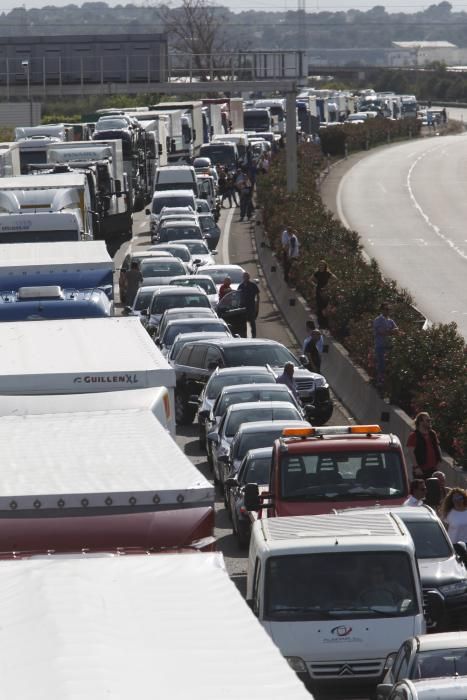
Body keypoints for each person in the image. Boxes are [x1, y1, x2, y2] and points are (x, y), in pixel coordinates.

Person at [406, 412, 441, 480]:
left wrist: (438, 463)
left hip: (434, 469)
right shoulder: (414, 436)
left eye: (430, 420)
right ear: (420, 422)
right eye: (428, 420)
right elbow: (411, 453)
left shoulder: (432, 434)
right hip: (421, 470)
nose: (430, 422)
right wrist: (416, 467)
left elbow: (437, 447)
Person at [372, 302, 400, 386]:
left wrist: (392, 331)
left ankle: (387, 383)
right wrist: (392, 332)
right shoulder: (378, 320)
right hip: (380, 346)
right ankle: (380, 382)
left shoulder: (390, 320)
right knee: (381, 364)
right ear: (382, 310)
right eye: (386, 309)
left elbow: (397, 329)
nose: (388, 311)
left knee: (389, 365)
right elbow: (381, 332)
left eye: (389, 309)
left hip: (389, 345)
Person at [313, 260, 336, 328]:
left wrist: (329, 285)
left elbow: (335, 279)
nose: (321, 266)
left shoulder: (327, 273)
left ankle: (325, 324)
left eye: (322, 265)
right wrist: (315, 285)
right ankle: (320, 324)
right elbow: (309, 279)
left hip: (325, 292)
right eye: (320, 265)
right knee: (319, 307)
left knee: (325, 307)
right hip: (318, 291)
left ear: (325, 266)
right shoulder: (317, 273)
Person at [237, 271, 260, 338]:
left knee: (252, 322)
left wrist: (257, 305)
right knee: (243, 323)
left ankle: (254, 336)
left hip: (251, 307)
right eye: (244, 277)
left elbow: (257, 296)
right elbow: (238, 296)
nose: (245, 278)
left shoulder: (253, 285)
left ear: (249, 277)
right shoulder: (241, 286)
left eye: (247, 277)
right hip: (242, 307)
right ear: (243, 278)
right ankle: (244, 337)